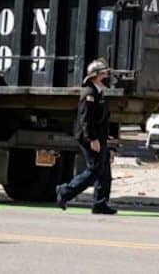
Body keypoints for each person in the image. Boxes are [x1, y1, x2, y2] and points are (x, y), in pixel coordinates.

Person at [57, 58, 116, 214]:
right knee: (94, 170)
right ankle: (65, 191)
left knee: (104, 171)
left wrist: (107, 137)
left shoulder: (100, 93)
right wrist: (93, 139)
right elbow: (85, 120)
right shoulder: (89, 93)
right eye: (104, 73)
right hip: (89, 137)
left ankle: (100, 203)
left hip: (100, 137)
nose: (106, 76)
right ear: (96, 76)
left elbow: (103, 118)